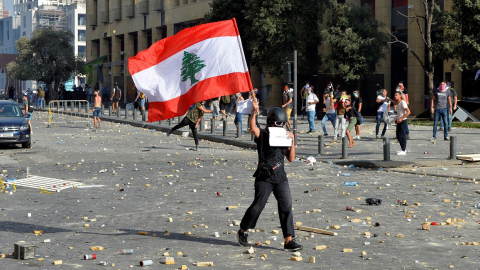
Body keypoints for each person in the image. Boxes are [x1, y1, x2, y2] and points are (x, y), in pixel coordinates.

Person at [237, 102, 302, 252]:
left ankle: (289, 240)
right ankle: (243, 231)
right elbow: (253, 128)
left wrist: (292, 142)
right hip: (264, 177)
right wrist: (253, 112)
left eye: (283, 123)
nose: (281, 126)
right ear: (271, 122)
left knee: (286, 205)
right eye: (279, 123)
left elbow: (291, 159)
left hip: (280, 177)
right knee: (258, 206)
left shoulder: (285, 136)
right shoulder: (264, 134)